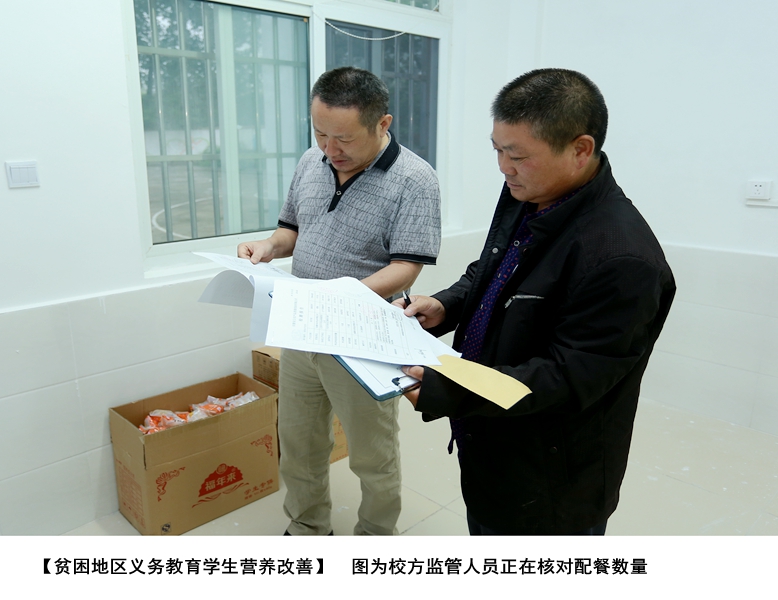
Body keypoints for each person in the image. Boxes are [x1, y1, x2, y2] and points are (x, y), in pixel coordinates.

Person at [399, 68, 675, 535]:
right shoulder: (530, 193)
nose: (503, 167)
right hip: (494, 439)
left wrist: (452, 389)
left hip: (551, 477)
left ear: (580, 149)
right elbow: (495, 269)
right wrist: (448, 305)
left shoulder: (621, 257)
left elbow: (567, 377)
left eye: (518, 155)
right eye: (497, 150)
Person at [238, 67, 441, 536]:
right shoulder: (312, 161)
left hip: (363, 338)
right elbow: (291, 230)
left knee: (372, 454)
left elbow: (407, 266)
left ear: (382, 124)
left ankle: (375, 537)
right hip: (302, 331)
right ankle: (307, 526)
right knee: (299, 442)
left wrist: (339, 298)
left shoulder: (415, 180)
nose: (330, 149)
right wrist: (268, 246)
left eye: (344, 139)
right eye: (320, 134)